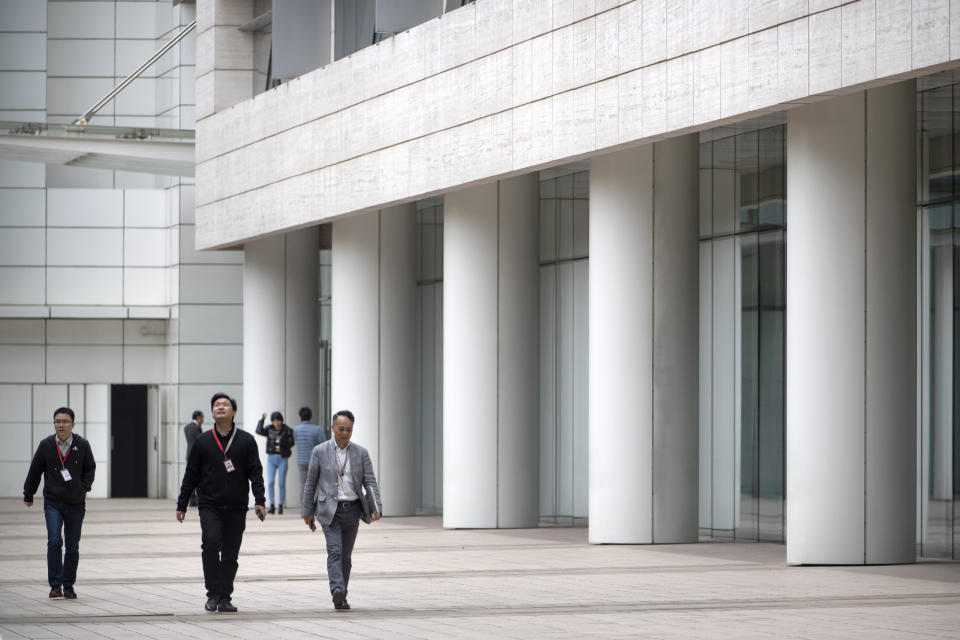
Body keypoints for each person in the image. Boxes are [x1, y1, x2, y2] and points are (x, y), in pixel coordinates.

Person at [176, 393, 266, 613]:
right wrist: (182, 503)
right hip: (210, 505)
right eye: (217, 405)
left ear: (234, 411)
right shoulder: (203, 441)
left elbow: (255, 472)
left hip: (236, 506)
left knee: (230, 554)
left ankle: (225, 596)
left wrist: (260, 500)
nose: (221, 407)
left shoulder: (246, 440)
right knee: (210, 543)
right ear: (212, 412)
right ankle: (212, 593)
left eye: (225, 404)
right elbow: (191, 473)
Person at [302, 409, 381, 611]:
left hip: (353, 509)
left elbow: (370, 481)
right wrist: (307, 511)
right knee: (335, 552)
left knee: (346, 556)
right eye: (341, 429)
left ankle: (342, 593)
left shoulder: (361, 453)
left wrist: (375, 506)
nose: (345, 433)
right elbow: (310, 482)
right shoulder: (319, 451)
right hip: (329, 510)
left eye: (349, 430)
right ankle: (337, 590)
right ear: (332, 428)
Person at [23, 407, 96, 600]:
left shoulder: (83, 445)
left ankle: (69, 585)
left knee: (72, 546)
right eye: (57, 421)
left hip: (75, 503)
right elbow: (35, 470)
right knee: (54, 541)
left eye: (65, 421)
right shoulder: (46, 445)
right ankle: (55, 586)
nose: (61, 425)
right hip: (53, 503)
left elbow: (90, 469)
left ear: (73, 424)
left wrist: (84, 488)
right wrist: (28, 493)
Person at [256, 411, 294, 514]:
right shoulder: (269, 429)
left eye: (278, 420)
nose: (277, 423)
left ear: (281, 421)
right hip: (271, 458)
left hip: (282, 458)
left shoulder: (287, 430)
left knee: (281, 483)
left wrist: (282, 440)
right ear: (272, 421)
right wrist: (262, 420)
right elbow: (258, 430)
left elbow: (291, 443)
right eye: (274, 421)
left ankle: (280, 505)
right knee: (270, 482)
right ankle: (272, 505)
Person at [292, 406, 324, 504]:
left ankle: (304, 510)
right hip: (315, 461)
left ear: (300, 417)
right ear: (311, 417)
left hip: (301, 462)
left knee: (304, 486)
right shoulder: (318, 429)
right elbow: (323, 445)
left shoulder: (296, 430)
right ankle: (315, 508)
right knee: (316, 485)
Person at [183, 410, 204, 507]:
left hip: (189, 454)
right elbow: (199, 441)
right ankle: (199, 499)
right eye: (202, 417)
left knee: (191, 477)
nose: (203, 420)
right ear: (198, 417)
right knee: (199, 477)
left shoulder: (186, 427)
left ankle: (192, 500)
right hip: (196, 455)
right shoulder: (197, 427)